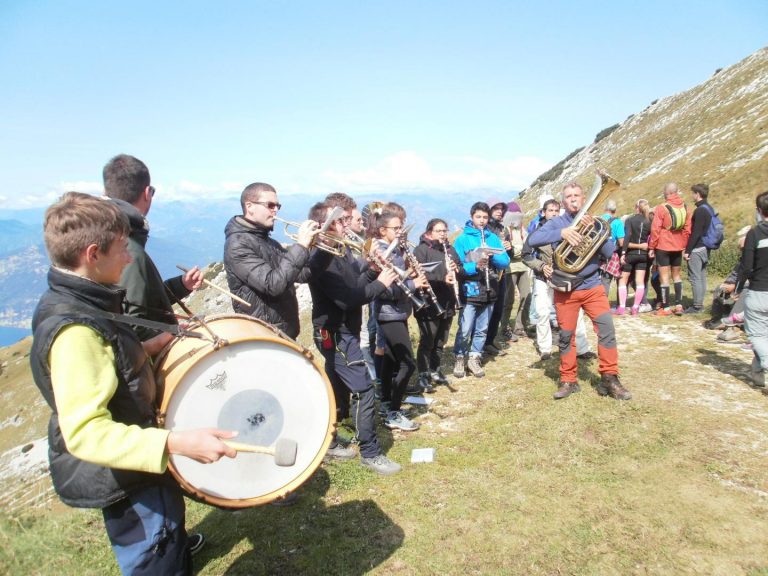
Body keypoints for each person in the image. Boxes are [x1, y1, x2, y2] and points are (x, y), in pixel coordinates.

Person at [30, 192, 236, 575]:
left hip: (137, 463)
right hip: (126, 477)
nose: (129, 258)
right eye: (123, 249)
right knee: (154, 559)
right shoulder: (74, 329)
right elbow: (87, 432)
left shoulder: (78, 302)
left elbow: (108, 364)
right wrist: (175, 441)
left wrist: (147, 347)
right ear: (93, 254)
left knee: (170, 542)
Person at [307, 197, 402, 475]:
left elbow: (355, 282)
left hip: (339, 330)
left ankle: (330, 441)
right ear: (323, 225)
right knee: (363, 390)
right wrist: (381, 283)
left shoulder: (339, 251)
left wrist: (372, 270)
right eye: (338, 220)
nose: (345, 224)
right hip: (336, 332)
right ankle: (370, 453)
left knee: (336, 387)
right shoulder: (322, 258)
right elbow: (347, 299)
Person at [527, 182, 632, 401]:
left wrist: (594, 229)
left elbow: (609, 251)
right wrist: (562, 233)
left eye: (577, 195)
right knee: (566, 337)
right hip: (566, 290)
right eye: (569, 196)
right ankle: (568, 380)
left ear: (583, 199)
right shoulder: (557, 222)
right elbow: (532, 240)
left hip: (592, 286)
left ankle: (610, 379)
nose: (573, 199)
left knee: (607, 331)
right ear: (564, 201)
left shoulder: (596, 222)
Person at [103, 154, 203, 354]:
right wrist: (171, 335)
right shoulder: (127, 249)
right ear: (147, 193)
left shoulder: (108, 236)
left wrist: (181, 285)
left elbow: (136, 302)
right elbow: (137, 325)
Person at [223, 182, 318, 339]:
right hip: (263, 337)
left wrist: (325, 249)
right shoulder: (237, 245)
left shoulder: (267, 242)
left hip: (283, 334)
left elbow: (303, 275)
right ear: (250, 206)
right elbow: (273, 284)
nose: (275, 210)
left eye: (277, 206)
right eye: (270, 205)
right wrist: (301, 246)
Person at [371, 210, 427, 431]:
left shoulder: (393, 251)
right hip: (388, 313)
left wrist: (411, 273)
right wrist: (415, 284)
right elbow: (385, 290)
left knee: (391, 362)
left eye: (400, 227)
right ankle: (393, 412)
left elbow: (398, 282)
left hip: (398, 312)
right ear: (383, 230)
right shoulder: (379, 253)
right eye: (396, 228)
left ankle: (386, 403)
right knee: (408, 363)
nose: (400, 232)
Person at [522, 199, 595, 361]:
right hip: (543, 277)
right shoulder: (537, 231)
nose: (554, 213)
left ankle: (582, 349)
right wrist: (541, 266)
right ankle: (545, 349)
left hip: (563, 275)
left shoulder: (568, 228)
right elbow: (525, 255)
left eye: (556, 210)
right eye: (550, 210)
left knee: (576, 312)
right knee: (542, 312)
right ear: (543, 212)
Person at [451, 202, 511, 378]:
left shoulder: (492, 237)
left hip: (490, 287)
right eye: (478, 217)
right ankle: (460, 356)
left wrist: (494, 256)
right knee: (465, 327)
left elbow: (505, 262)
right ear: (472, 217)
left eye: (485, 217)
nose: (482, 220)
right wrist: (475, 265)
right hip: (470, 290)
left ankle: (474, 357)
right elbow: (458, 266)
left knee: (482, 328)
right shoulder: (462, 239)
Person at [413, 218, 463, 388]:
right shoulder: (420, 250)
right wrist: (442, 278)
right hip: (428, 303)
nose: (443, 234)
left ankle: (435, 369)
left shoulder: (449, 249)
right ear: (429, 233)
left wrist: (457, 269)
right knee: (427, 340)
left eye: (445, 231)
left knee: (441, 340)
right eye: (439, 231)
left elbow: (460, 268)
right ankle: (423, 374)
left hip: (447, 301)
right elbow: (418, 274)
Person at [737, 191, 768, 391]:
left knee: (757, 335)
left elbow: (746, 266)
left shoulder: (755, 233)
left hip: (759, 290)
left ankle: (765, 365)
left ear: (758, 210)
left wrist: (739, 288)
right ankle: (757, 373)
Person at [648, 182, 692, 316]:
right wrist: (683, 245)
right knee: (677, 275)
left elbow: (655, 229)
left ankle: (665, 307)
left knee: (664, 277)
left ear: (667, 193)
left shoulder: (661, 208)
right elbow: (687, 229)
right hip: (678, 246)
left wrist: (652, 247)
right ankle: (679, 304)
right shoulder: (686, 207)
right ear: (677, 192)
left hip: (663, 245)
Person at [498, 202, 531, 345]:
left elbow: (526, 247)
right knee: (509, 300)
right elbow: (509, 250)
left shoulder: (522, 230)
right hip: (509, 269)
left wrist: (519, 250)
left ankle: (520, 326)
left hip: (523, 267)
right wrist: (519, 251)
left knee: (526, 297)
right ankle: (504, 327)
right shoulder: (505, 230)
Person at [615, 199, 651, 315]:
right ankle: (635, 307)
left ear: (636, 208)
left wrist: (624, 253)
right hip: (643, 255)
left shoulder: (630, 220)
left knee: (623, 280)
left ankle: (621, 307)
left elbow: (627, 238)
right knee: (640, 281)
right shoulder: (648, 222)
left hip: (631, 254)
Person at [683, 183, 714, 314]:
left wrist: (688, 250)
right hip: (706, 246)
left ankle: (697, 306)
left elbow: (696, 232)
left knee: (695, 277)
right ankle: (699, 303)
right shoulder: (709, 208)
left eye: (693, 193)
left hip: (697, 247)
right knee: (701, 276)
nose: (692, 195)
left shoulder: (700, 210)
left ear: (698, 194)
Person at [599, 199, 625, 302]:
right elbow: (622, 242)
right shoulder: (618, 222)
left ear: (605, 208)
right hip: (609, 254)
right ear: (615, 210)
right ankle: (602, 304)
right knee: (606, 280)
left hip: (595, 253)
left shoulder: (598, 219)